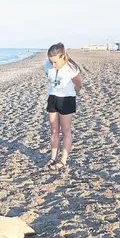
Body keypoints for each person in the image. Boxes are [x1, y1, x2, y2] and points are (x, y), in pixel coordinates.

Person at [44, 43, 82, 171]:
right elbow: (49, 77)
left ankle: (63, 160)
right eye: (51, 62)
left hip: (67, 100)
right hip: (53, 99)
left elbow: (78, 83)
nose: (53, 65)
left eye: (55, 62)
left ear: (63, 57)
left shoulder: (71, 67)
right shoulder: (47, 65)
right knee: (54, 130)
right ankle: (53, 157)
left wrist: (75, 92)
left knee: (65, 130)